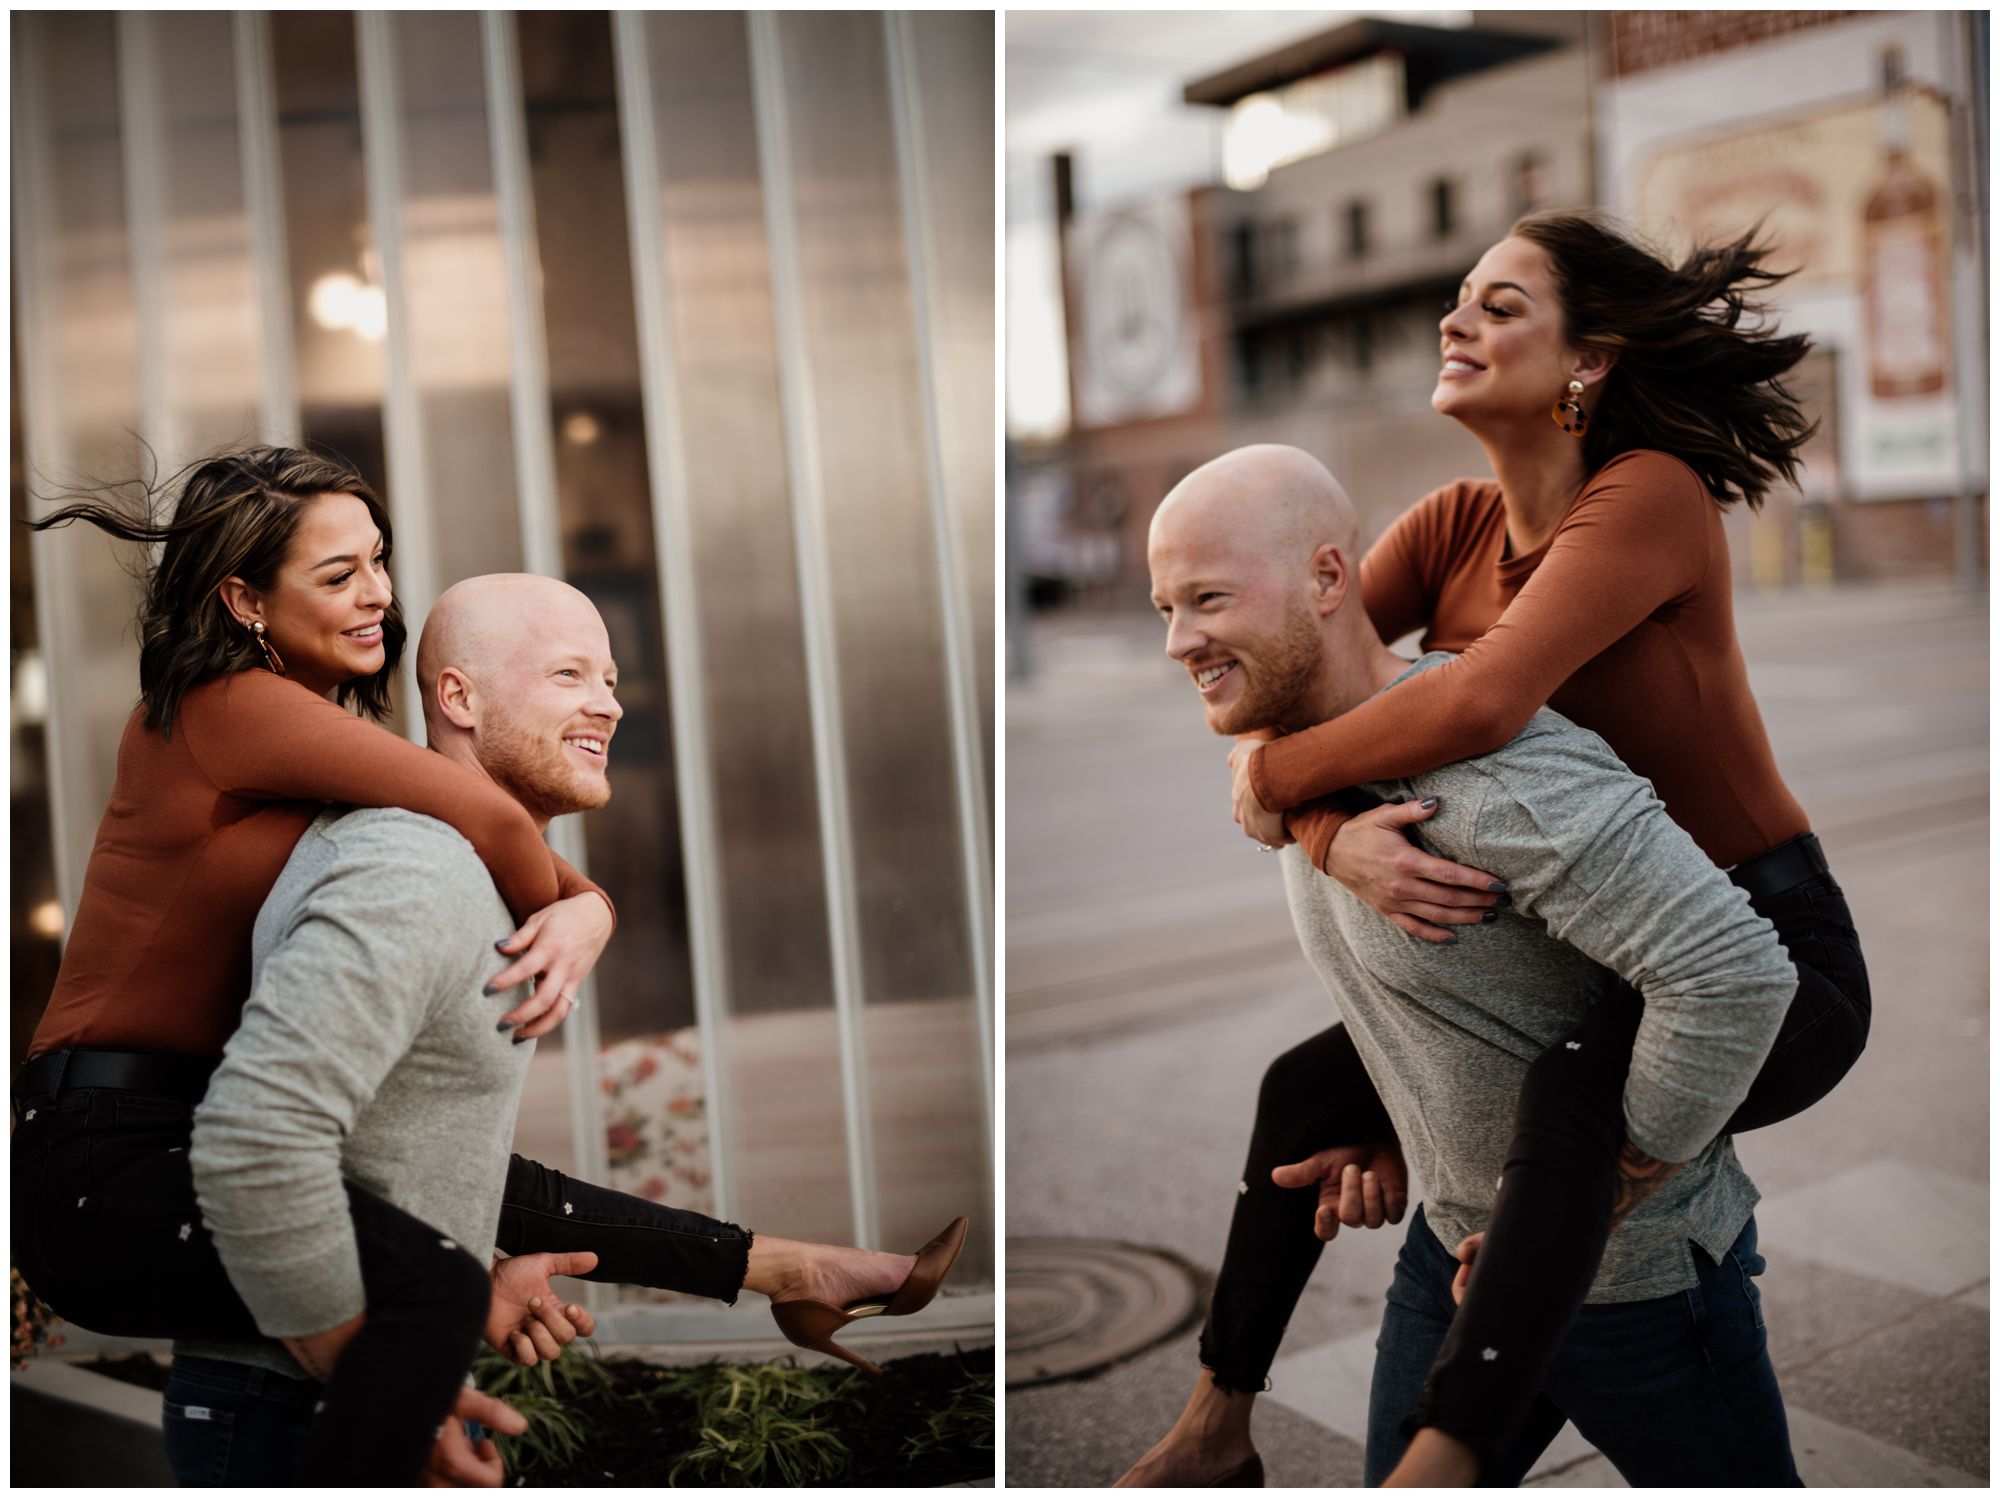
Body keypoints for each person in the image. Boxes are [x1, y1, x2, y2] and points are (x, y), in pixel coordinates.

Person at [8, 450, 957, 1483]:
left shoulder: (316, 737)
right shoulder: (228, 706)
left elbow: (484, 828)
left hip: (177, 1128)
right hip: (103, 1154)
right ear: (242, 597)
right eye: (336, 576)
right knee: (436, 1279)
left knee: (452, 1172)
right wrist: (584, 907)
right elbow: (486, 814)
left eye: (377, 560)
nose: (377, 594)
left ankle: (790, 1268)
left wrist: (583, 909)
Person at [1125, 212, 1870, 1486]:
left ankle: (1508, 1354)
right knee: (1310, 1088)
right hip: (1594, 942)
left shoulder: (1646, 497)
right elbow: (1300, 672)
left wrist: (1269, 788)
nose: (1453, 319)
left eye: (1499, 304)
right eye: (1456, 297)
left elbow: (1475, 703)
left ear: (1590, 357)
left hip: (1765, 946)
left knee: (1568, 1106)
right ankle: (1215, 1422)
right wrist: (1319, 821)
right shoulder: (1456, 524)